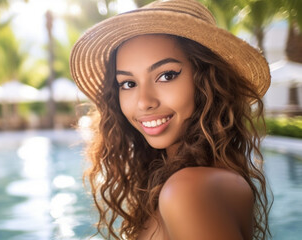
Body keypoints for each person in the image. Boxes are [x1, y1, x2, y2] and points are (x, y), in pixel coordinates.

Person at [69, 0, 272, 239]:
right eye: (128, 83)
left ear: (207, 79)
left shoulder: (188, 189)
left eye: (166, 75)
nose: (144, 101)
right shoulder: (197, 179)